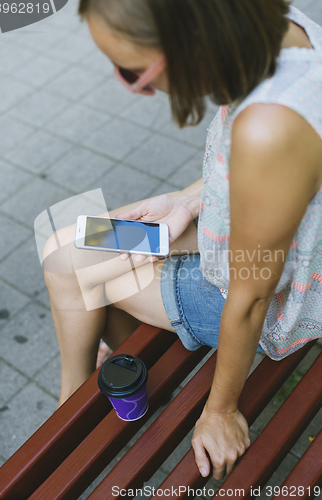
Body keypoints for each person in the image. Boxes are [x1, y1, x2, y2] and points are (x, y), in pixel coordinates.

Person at [43, 0, 322, 481]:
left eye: (133, 73)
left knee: (69, 267)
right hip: (236, 235)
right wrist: (186, 202)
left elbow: (252, 294)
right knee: (72, 241)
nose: (138, 90)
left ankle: (70, 414)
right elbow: (265, 184)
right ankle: (97, 382)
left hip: (280, 300)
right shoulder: (278, 26)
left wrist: (220, 410)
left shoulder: (270, 125)